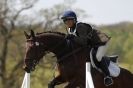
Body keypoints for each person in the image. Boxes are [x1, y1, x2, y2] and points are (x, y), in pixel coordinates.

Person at [61, 10, 113, 86]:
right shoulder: (70, 29)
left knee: (97, 57)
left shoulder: (80, 26)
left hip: (101, 42)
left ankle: (108, 77)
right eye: (65, 20)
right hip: (91, 45)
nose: (67, 22)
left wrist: (72, 37)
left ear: (74, 20)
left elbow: (83, 42)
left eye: (69, 20)